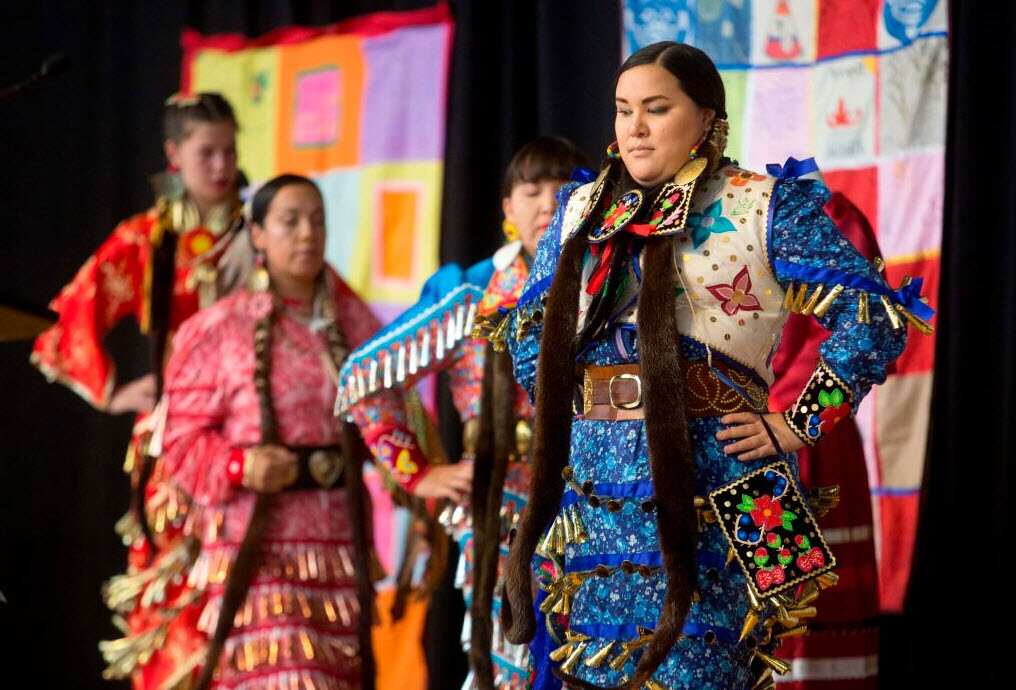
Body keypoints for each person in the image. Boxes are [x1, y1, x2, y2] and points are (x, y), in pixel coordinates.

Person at [498, 42, 932, 689]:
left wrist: (797, 423)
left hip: (725, 486)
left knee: (710, 671)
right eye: (623, 112)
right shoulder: (583, 210)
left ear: (706, 117)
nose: (635, 128)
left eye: (656, 109)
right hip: (600, 492)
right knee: (594, 671)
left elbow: (876, 315)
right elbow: (527, 331)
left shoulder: (767, 205)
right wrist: (585, 417)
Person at [159, 174, 472, 690]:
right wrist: (242, 464)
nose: (307, 233)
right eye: (290, 221)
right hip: (254, 547)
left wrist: (419, 485)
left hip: (338, 551)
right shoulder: (220, 330)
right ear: (257, 233)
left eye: (318, 221)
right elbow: (179, 441)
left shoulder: (359, 326)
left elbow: (394, 416)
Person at [336, 137, 588, 690]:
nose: (548, 203)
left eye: (562, 188)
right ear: (507, 209)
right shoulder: (472, 293)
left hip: (599, 503)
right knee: (514, 662)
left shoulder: (611, 283)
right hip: (503, 508)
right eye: (532, 190)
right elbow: (364, 376)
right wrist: (418, 473)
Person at [30, 92, 246, 689]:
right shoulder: (149, 240)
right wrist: (112, 391)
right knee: (178, 589)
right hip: (177, 445)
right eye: (207, 153)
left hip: (256, 436)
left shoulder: (263, 230)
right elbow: (67, 319)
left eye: (230, 149)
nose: (222, 165)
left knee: (255, 592)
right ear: (174, 156)